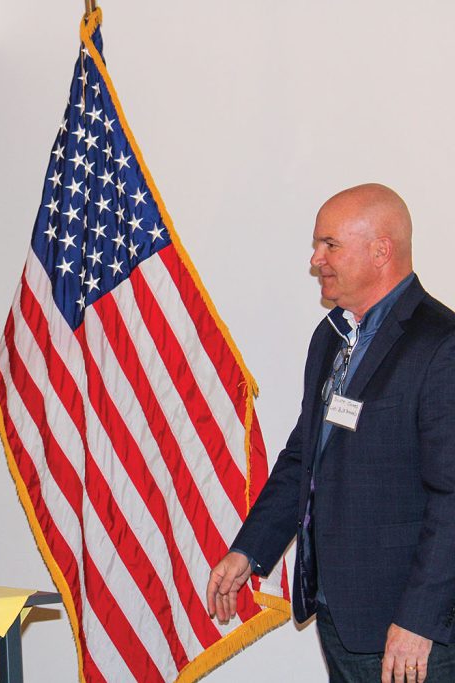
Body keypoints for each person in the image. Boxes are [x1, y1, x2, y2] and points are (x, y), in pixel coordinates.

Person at [206, 184, 455, 682]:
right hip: (340, 620)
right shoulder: (332, 336)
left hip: (408, 633)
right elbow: (305, 457)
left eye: (330, 245)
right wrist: (250, 549)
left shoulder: (439, 345)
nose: (316, 259)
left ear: (381, 250)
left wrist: (418, 620)